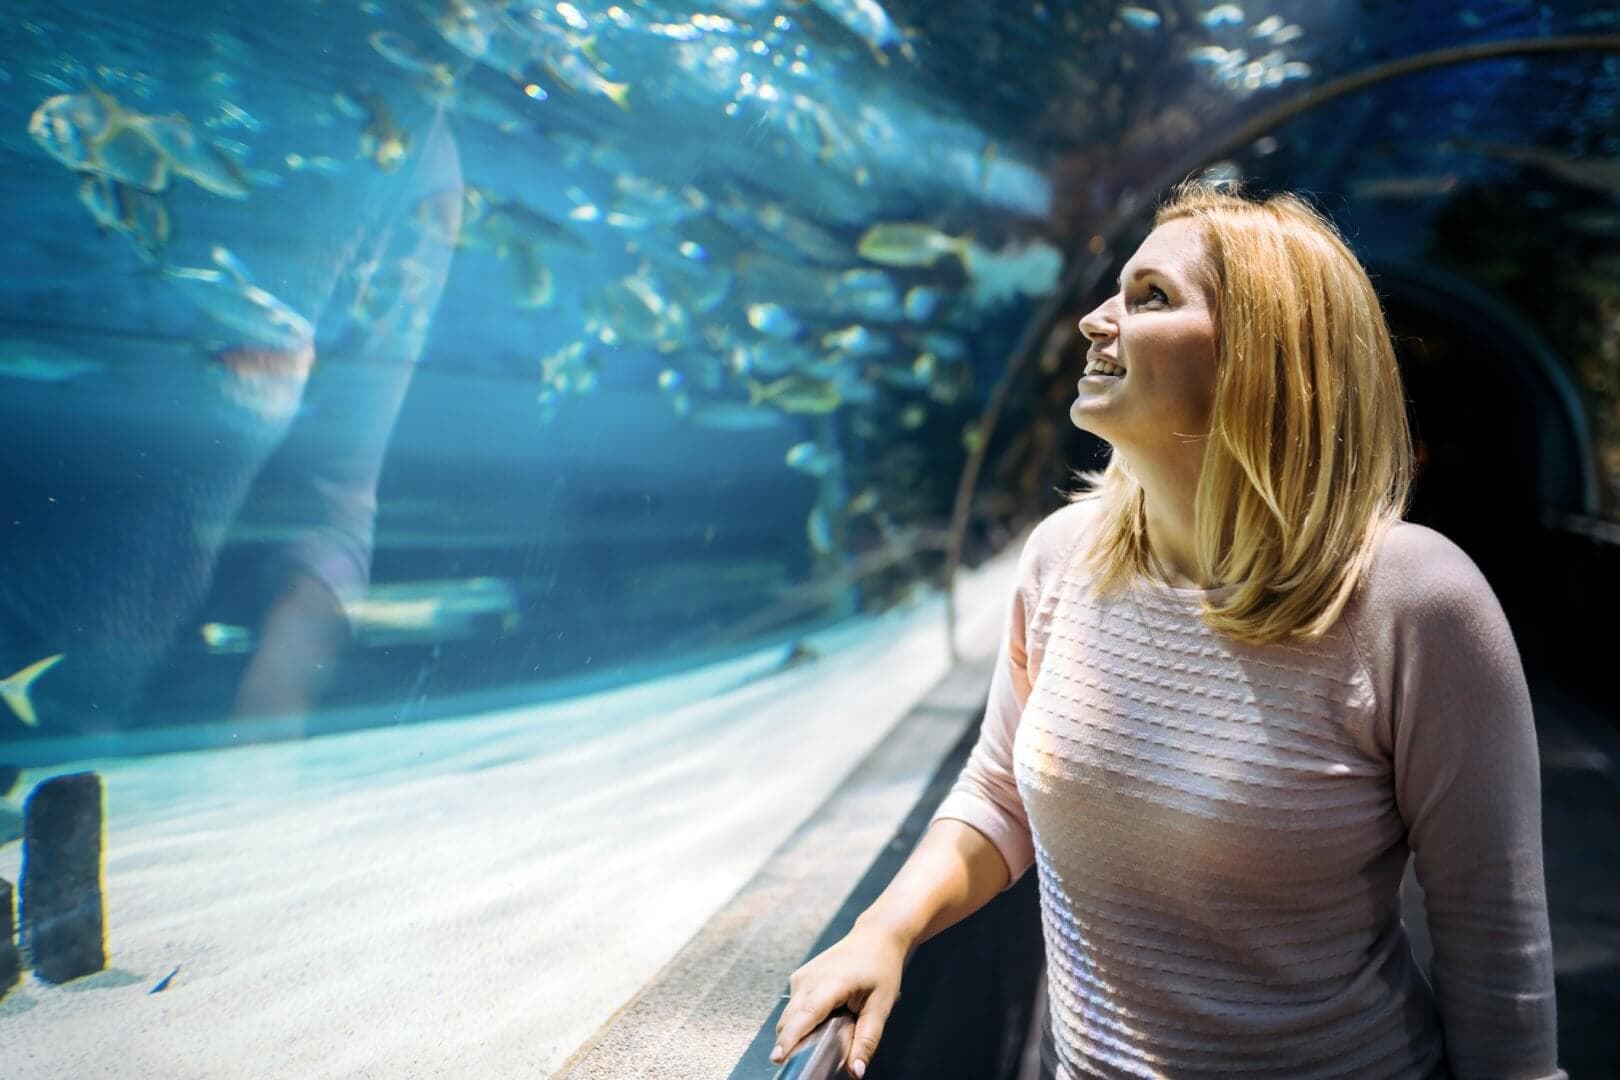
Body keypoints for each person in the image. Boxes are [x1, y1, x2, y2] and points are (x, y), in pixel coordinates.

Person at [770, 180, 1562, 1079]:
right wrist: (884, 932)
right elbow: (998, 794)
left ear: (1267, 356)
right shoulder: (1062, 557)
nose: (1093, 322)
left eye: (1149, 297)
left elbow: (1493, 940)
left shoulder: (1414, 599)